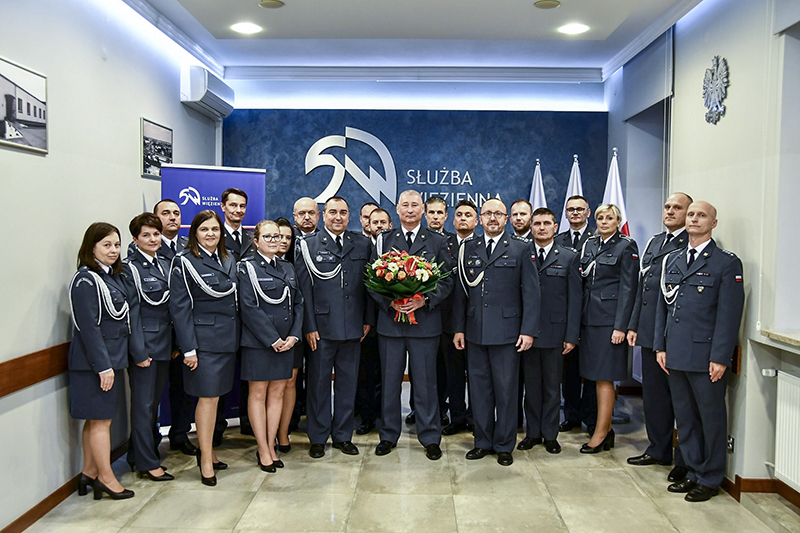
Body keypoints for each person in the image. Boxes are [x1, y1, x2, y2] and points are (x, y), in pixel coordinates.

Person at [655, 201, 744, 502]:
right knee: (686, 418)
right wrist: (660, 346)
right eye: (690, 214)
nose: (693, 219)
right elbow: (663, 309)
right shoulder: (675, 259)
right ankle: (692, 470)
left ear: (713, 224)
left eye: (701, 215)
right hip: (676, 353)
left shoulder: (725, 263)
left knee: (711, 419)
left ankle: (710, 477)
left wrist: (720, 357)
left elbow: (729, 316)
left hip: (706, 357)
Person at [452, 199, 540, 466]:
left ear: (506, 219)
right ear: (480, 218)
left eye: (498, 214)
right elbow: (460, 294)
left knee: (506, 391)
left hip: (507, 333)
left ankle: (503, 444)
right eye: (487, 213)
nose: (492, 218)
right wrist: (458, 328)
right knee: (478, 391)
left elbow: (532, 294)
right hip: (475, 331)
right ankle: (482, 442)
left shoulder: (521, 248)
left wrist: (528, 331)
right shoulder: (469, 248)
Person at [371, 190, 454, 460]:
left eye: (415, 205)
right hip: (391, 325)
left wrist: (424, 301)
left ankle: (430, 436)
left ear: (423, 209)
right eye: (404, 205)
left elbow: (446, 280)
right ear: (397, 209)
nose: (409, 209)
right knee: (389, 382)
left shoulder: (438, 240)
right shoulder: (383, 239)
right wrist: (389, 303)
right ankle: (388, 435)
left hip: (425, 324)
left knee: (426, 383)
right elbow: (371, 279)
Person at [68, 222, 144, 500]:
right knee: (101, 422)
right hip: (95, 365)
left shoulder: (112, 277)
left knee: (96, 420)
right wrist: (103, 366)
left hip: (111, 360)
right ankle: (106, 478)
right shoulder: (86, 280)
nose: (113, 250)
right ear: (92, 248)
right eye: (106, 245)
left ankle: (89, 471)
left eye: (116, 244)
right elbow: (89, 328)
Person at [294, 197, 373, 458]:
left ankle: (342, 435)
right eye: (332, 212)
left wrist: (367, 320)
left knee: (347, 384)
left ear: (349, 216)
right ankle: (318, 437)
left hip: (353, 326)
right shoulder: (307, 245)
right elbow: (303, 291)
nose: (337, 217)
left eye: (343, 212)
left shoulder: (362, 243)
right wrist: (309, 326)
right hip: (321, 329)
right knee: (317, 385)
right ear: (322, 215)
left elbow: (369, 287)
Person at [169, 210, 239, 486]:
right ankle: (205, 459)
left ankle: (209, 451)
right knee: (207, 401)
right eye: (204, 229)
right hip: (203, 344)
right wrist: (188, 349)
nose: (211, 234)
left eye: (215, 229)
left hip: (226, 341)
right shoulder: (184, 262)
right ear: (194, 233)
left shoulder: (228, 259)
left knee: (216, 399)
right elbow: (180, 308)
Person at [626, 193, 692, 482]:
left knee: (680, 400)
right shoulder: (655, 242)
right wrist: (634, 324)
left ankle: (685, 459)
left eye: (677, 208)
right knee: (653, 397)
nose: (670, 211)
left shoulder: (689, 243)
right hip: (649, 331)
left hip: (672, 335)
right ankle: (658, 448)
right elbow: (644, 288)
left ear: (688, 214)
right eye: (667, 206)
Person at [238, 220, 303, 472]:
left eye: (277, 236)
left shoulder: (287, 267)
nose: (274, 241)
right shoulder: (247, 268)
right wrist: (272, 339)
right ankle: (263, 448)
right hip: (260, 343)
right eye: (268, 237)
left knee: (277, 393)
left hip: (287, 342)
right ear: (256, 241)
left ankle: (272, 442)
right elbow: (249, 306)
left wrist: (294, 336)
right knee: (258, 393)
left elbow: (299, 303)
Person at [518, 208, 580, 455]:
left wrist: (571, 335)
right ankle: (533, 433)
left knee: (553, 387)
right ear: (531, 227)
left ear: (556, 227)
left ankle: (550, 434)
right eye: (537, 224)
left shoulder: (568, 256)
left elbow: (575, 300)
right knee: (531, 387)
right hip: (528, 332)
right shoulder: (522, 253)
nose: (541, 228)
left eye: (546, 223)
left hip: (556, 333)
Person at [578, 204, 638, 454]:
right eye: (600, 218)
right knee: (592, 375)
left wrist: (621, 326)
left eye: (609, 218)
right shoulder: (590, 244)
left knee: (605, 378)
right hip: (589, 319)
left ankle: (601, 433)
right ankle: (603, 429)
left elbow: (629, 288)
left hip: (610, 322)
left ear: (618, 221)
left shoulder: (626, 246)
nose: (604, 222)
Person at [122, 213, 174, 482]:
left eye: (156, 234)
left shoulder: (165, 263)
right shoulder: (129, 269)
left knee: (152, 404)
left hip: (165, 345)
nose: (153, 239)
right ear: (135, 239)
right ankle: (147, 462)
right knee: (143, 406)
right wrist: (138, 351)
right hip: (145, 348)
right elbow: (131, 314)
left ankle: (138, 454)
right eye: (146, 235)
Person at [152, 199, 197, 457]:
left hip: (184, 337)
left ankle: (181, 435)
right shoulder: (149, 249)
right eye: (166, 213)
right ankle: (150, 443)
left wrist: (182, 343)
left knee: (183, 392)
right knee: (152, 398)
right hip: (157, 339)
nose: (172, 217)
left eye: (176, 213)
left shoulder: (187, 249)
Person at [555, 195, 597, 434]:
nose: (575, 213)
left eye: (580, 209)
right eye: (570, 210)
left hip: (592, 315)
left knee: (590, 371)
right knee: (568, 370)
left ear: (588, 212)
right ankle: (571, 415)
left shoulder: (597, 238)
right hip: (566, 314)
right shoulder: (558, 240)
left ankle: (591, 418)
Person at [442, 199, 479, 436]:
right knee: (453, 375)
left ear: (477, 221)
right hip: (447, 322)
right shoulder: (443, 245)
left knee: (476, 375)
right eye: (459, 215)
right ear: (453, 220)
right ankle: (456, 417)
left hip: (477, 322)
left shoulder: (484, 246)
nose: (463, 218)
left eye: (468, 215)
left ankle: (476, 418)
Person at [220, 187, 254, 439]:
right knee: (221, 377)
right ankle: (217, 428)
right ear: (223, 207)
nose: (238, 210)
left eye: (242, 206)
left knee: (249, 375)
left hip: (250, 320)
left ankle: (248, 421)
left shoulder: (252, 238)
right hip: (224, 320)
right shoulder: (213, 236)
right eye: (233, 205)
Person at [355, 207, 390, 435]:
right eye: (372, 220)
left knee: (387, 373)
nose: (377, 225)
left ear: (389, 224)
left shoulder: (395, 246)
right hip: (366, 321)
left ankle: (384, 414)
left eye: (382, 222)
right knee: (366, 372)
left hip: (390, 319)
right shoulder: (359, 245)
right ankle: (366, 416)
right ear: (364, 222)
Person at [423, 196, 451, 428]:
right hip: (423, 315)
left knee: (441, 368)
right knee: (422, 369)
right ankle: (417, 409)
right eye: (431, 212)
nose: (435, 217)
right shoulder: (422, 240)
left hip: (447, 318)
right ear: (425, 214)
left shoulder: (449, 242)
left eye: (439, 213)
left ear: (445, 216)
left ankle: (441, 409)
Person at [275, 216, 300, 452]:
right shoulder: (251, 264)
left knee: (290, 382)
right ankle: (267, 434)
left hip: (293, 335)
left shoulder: (296, 262)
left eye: (288, 237)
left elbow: (301, 301)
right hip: (266, 337)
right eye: (278, 236)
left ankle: (284, 433)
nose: (283, 241)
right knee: (271, 387)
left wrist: (294, 334)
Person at [509, 198, 534, 429]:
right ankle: (514, 422)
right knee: (511, 380)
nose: (519, 218)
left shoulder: (541, 245)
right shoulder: (507, 245)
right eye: (515, 214)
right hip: (509, 326)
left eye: (523, 214)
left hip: (535, 325)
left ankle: (536, 428)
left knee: (536, 383)